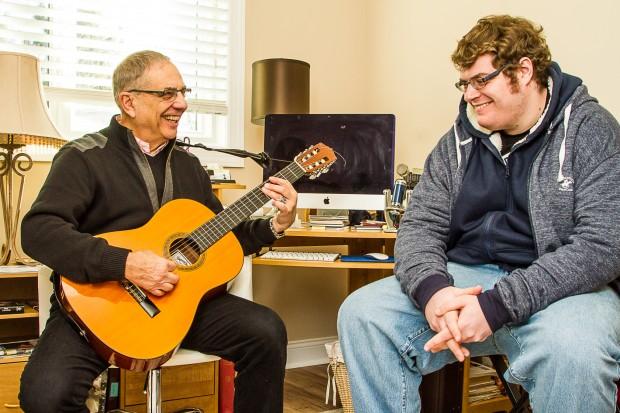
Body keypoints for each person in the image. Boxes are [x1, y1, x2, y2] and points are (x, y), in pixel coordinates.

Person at [338, 15, 620, 413]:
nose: (470, 94)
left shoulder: (590, 129)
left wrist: (495, 307)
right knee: (363, 315)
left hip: (562, 288)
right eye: (465, 83)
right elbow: (420, 227)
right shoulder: (456, 143)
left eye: (481, 80)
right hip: (467, 279)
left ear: (523, 71)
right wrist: (434, 291)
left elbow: (602, 246)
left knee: (575, 351)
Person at [19, 50, 298, 413]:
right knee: (45, 396)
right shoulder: (83, 156)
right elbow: (39, 231)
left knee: (266, 332)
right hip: (99, 308)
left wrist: (276, 225)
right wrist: (125, 264)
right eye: (167, 93)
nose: (181, 103)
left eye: (183, 92)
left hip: (182, 305)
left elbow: (220, 237)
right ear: (128, 101)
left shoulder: (189, 165)